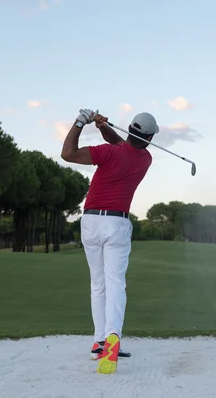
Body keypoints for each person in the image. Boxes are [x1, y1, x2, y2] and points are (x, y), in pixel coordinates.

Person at [61, 108, 159, 374]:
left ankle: (100, 342)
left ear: (130, 128)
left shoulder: (109, 153)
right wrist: (103, 127)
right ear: (149, 138)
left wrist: (81, 123)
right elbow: (124, 145)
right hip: (117, 223)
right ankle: (112, 337)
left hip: (91, 221)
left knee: (98, 284)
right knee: (115, 283)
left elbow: (67, 154)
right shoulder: (145, 159)